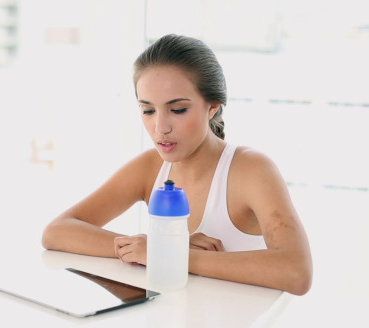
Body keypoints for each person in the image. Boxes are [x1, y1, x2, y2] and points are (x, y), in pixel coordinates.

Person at [41, 34, 313, 296]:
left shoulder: (252, 169)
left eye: (178, 109)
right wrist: (152, 248)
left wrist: (172, 254)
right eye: (147, 110)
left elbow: (296, 271)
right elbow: (56, 232)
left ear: (212, 107)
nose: (160, 127)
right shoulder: (149, 167)